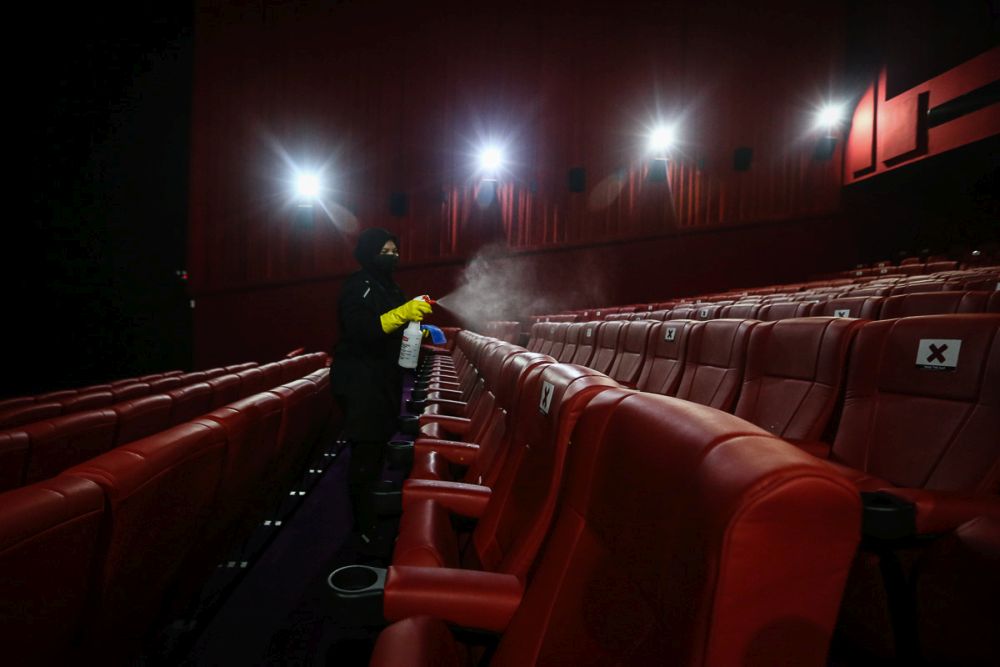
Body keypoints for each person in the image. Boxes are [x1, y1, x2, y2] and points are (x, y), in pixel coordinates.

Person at [329, 227, 432, 543]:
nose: (392, 256)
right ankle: (363, 528)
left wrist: (416, 334)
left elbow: (395, 333)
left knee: (378, 449)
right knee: (365, 453)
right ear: (368, 253)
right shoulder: (357, 286)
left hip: (384, 381)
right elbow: (362, 330)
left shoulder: (392, 288)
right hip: (360, 381)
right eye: (384, 251)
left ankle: (372, 509)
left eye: (395, 251)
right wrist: (402, 314)